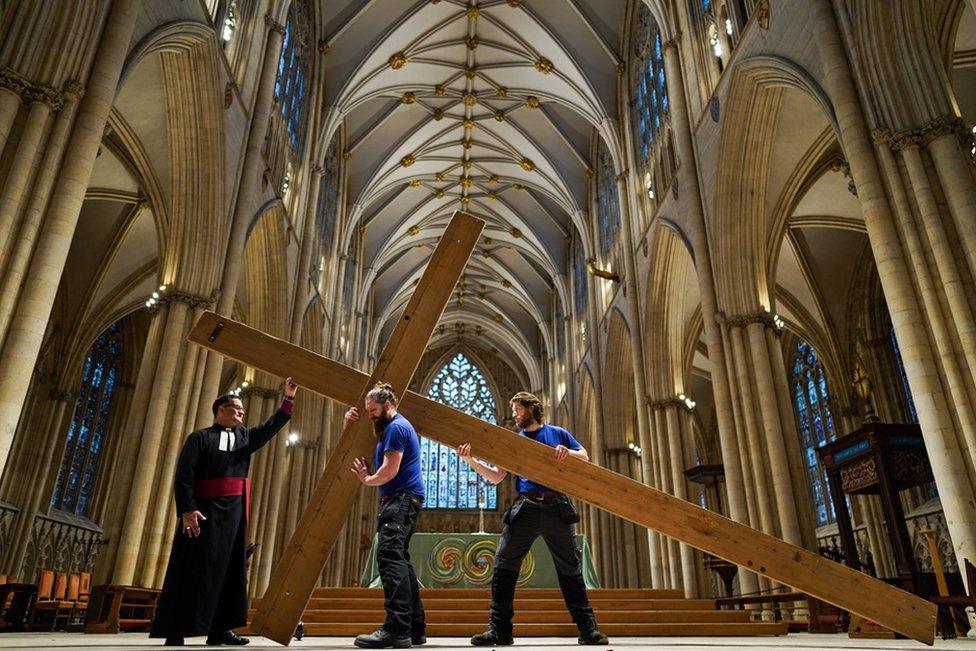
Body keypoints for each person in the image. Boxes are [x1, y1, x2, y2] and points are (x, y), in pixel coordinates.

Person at [150, 377, 298, 646]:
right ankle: (176, 629)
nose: (241, 411)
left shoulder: (244, 438)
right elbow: (184, 477)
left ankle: (220, 629)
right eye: (236, 407)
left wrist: (287, 400)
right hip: (201, 513)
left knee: (230, 570)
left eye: (242, 408)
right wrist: (187, 510)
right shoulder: (199, 438)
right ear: (221, 410)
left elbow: (269, 427)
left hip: (233, 515)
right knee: (190, 568)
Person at [458, 391, 609, 646]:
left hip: (556, 507)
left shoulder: (557, 433)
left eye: (517, 409)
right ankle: (500, 631)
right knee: (504, 567)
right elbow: (496, 477)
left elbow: (584, 455)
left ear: (531, 409)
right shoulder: (513, 441)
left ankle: (588, 630)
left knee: (570, 569)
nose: (514, 414)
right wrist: (470, 460)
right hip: (526, 508)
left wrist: (567, 452)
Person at [346, 382, 426, 649]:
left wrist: (367, 479)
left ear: (388, 405)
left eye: (373, 409)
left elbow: (389, 471)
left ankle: (397, 628)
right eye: (368, 410)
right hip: (403, 500)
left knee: (389, 559)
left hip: (400, 499)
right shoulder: (391, 427)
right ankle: (414, 628)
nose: (370, 414)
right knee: (400, 560)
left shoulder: (396, 428)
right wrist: (349, 422)